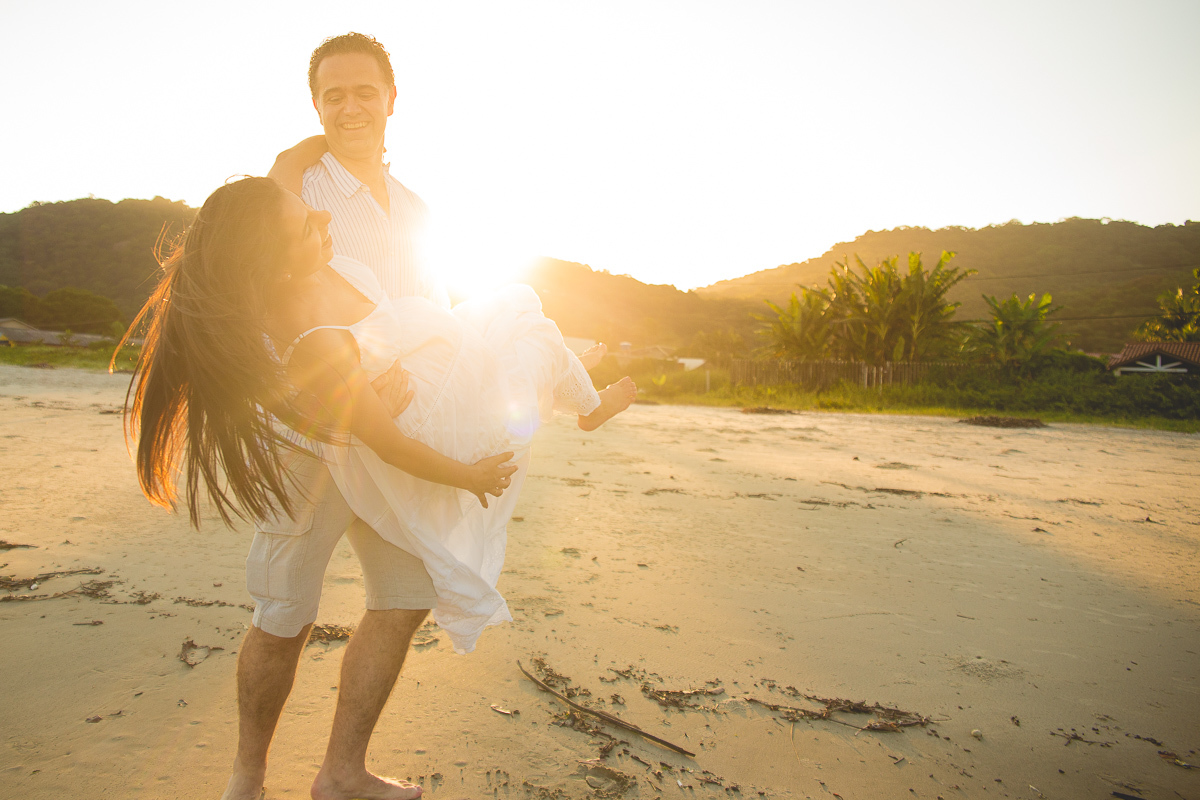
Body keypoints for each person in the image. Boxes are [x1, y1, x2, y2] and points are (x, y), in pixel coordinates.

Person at [125, 178, 638, 797]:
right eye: (306, 222)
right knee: (284, 612)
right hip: (313, 465)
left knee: (402, 598)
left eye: (311, 208)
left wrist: (399, 385)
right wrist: (347, 414)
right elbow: (286, 394)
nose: (321, 214)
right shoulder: (275, 312)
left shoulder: (353, 257)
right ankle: (247, 777)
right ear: (273, 260)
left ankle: (342, 773)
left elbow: (394, 340)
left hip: (392, 459)